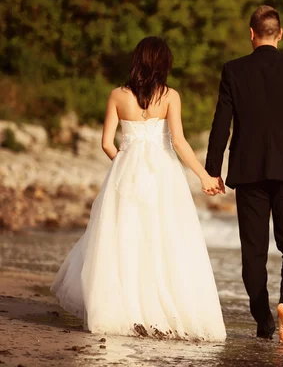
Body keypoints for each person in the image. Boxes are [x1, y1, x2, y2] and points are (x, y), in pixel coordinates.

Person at [51, 37, 226, 341]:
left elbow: (107, 143)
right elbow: (180, 143)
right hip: (163, 176)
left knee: (124, 241)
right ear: (164, 64)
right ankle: (161, 314)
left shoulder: (118, 95)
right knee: (164, 241)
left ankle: (124, 311)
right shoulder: (171, 96)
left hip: (127, 175)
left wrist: (124, 160)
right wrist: (204, 176)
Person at [205, 5, 283, 345]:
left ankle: (263, 320)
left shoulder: (234, 70)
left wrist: (212, 171)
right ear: (280, 33)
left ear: (251, 34)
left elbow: (221, 124)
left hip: (248, 172)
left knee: (253, 251)